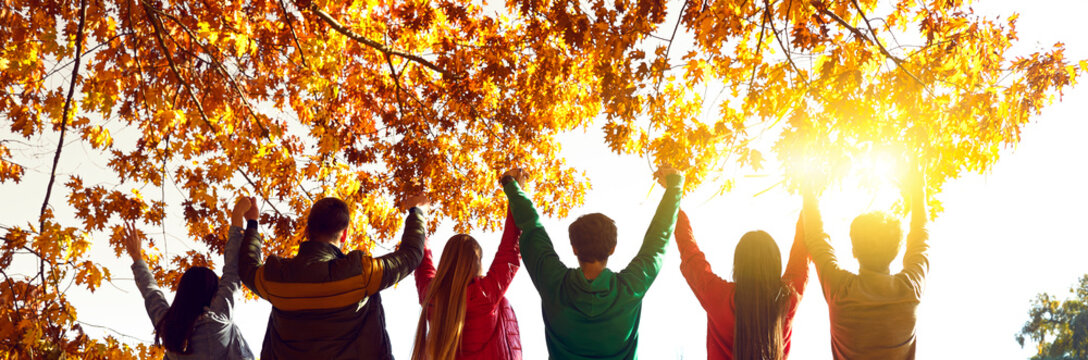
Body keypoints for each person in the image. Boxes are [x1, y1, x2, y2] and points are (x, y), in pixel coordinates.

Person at [503, 166, 684, 359]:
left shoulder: (554, 283)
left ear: (574, 248)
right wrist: (674, 187)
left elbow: (532, 227)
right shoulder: (630, 289)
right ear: (612, 248)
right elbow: (658, 240)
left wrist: (512, 187)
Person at [238, 193, 430, 359]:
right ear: (344, 234)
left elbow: (247, 267)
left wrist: (252, 223)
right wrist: (416, 212)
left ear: (307, 232)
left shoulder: (276, 278)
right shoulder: (361, 274)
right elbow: (410, 255)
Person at [803, 166, 929, 359]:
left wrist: (809, 191)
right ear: (896, 252)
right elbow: (921, 240)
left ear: (854, 251)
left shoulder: (841, 290)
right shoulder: (909, 289)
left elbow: (816, 239)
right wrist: (918, 190)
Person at [123, 196, 256, 359]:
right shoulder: (218, 321)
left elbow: (151, 294)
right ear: (213, 293)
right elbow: (233, 270)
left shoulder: (169, 329)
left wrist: (137, 257)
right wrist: (240, 217)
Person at [674, 205, 809, 360]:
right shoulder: (787, 299)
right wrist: (809, 199)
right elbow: (801, 251)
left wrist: (675, 200)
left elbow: (691, 256)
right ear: (776, 263)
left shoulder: (719, 296)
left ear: (738, 265)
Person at [411, 177, 523, 360]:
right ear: (476, 262)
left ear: (446, 261)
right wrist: (515, 189)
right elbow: (510, 248)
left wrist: (418, 213)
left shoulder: (431, 296)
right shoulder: (485, 295)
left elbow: (422, 259)